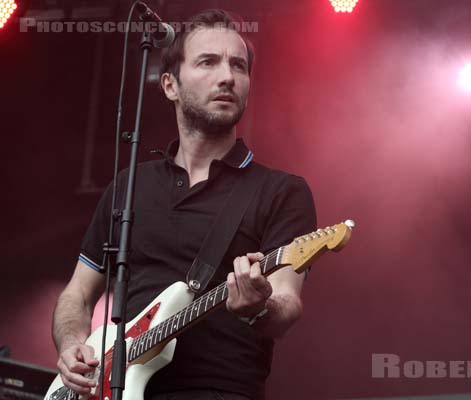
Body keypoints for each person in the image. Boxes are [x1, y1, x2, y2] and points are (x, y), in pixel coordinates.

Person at [51, 9, 316, 400]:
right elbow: (77, 293)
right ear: (170, 85)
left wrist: (257, 307)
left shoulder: (281, 191)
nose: (227, 76)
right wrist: (72, 344)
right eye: (208, 62)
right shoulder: (129, 185)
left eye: (238, 66)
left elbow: (286, 303)